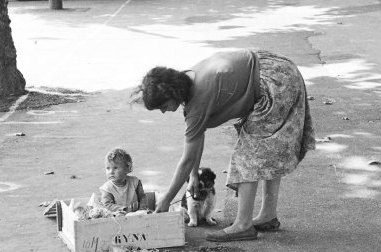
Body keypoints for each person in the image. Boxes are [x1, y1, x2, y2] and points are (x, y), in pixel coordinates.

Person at [133, 49, 315, 242]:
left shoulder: (197, 103)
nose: (163, 112)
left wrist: (167, 199)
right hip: (277, 68)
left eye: (163, 106)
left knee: (247, 157)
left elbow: (187, 159)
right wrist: (194, 175)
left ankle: (243, 225)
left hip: (275, 84)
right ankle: (267, 215)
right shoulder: (187, 79)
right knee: (265, 150)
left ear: (172, 93)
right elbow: (197, 137)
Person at [100, 148, 148, 213]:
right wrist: (124, 209)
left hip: (137, 214)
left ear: (127, 168)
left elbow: (142, 197)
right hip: (118, 216)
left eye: (115, 168)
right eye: (108, 168)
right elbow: (107, 205)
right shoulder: (107, 188)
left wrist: (142, 209)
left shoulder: (135, 182)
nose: (111, 172)